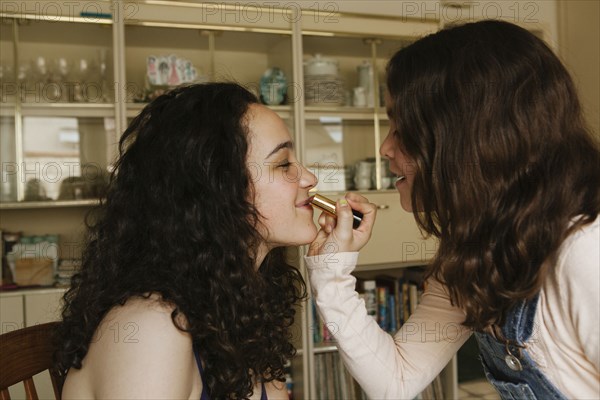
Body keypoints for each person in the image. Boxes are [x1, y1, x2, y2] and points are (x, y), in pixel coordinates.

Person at [306, 20, 599, 400]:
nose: (385, 148)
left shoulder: (586, 249)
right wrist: (330, 273)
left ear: (465, 136)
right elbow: (395, 380)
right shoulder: (477, 250)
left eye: (401, 127)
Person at [56, 82, 319, 399]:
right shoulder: (152, 329)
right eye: (284, 164)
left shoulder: (234, 307)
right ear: (216, 190)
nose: (309, 178)